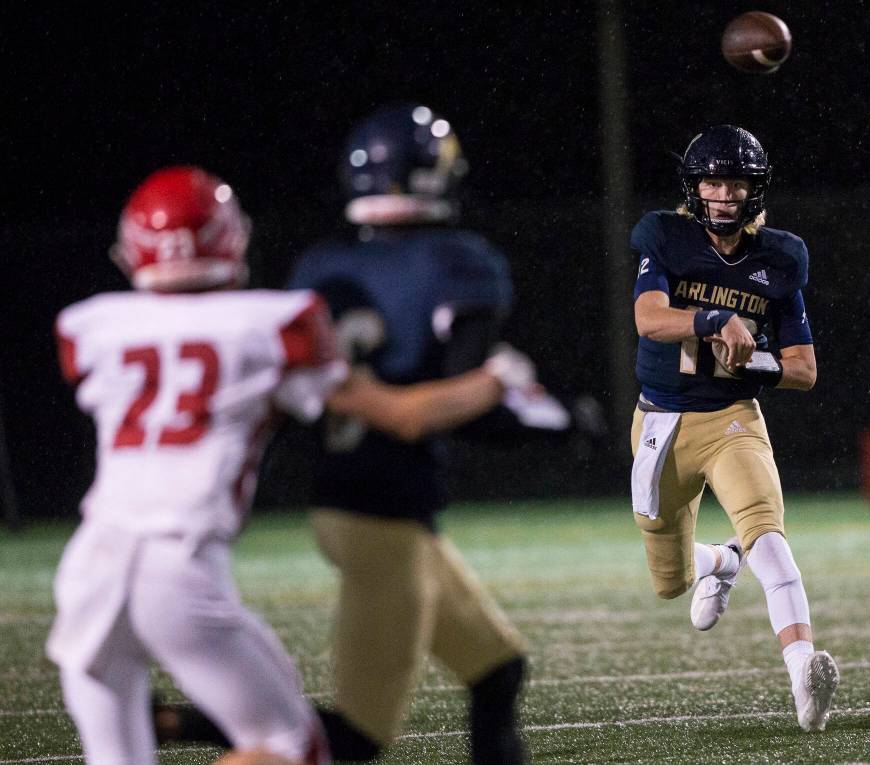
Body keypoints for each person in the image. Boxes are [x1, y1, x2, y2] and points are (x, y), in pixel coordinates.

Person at [156, 103, 551, 763]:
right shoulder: (459, 262)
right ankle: (164, 722)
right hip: (383, 516)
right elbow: (473, 409)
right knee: (353, 738)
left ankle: (166, 718)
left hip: (349, 502)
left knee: (497, 670)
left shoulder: (319, 268)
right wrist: (559, 420)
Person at [47, 166, 338, 765]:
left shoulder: (91, 324)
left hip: (90, 567)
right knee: (291, 745)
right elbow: (340, 399)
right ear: (231, 238)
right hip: (175, 564)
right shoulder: (276, 321)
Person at [628, 125, 840, 732]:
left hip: (732, 420)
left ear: (756, 189)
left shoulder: (780, 258)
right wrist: (716, 318)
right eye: (713, 182)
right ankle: (720, 562)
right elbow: (649, 319)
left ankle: (803, 667)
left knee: (767, 534)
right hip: (662, 419)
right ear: (693, 188)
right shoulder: (663, 237)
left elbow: (803, 371)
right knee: (671, 585)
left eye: (736, 182)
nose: (724, 194)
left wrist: (757, 361)